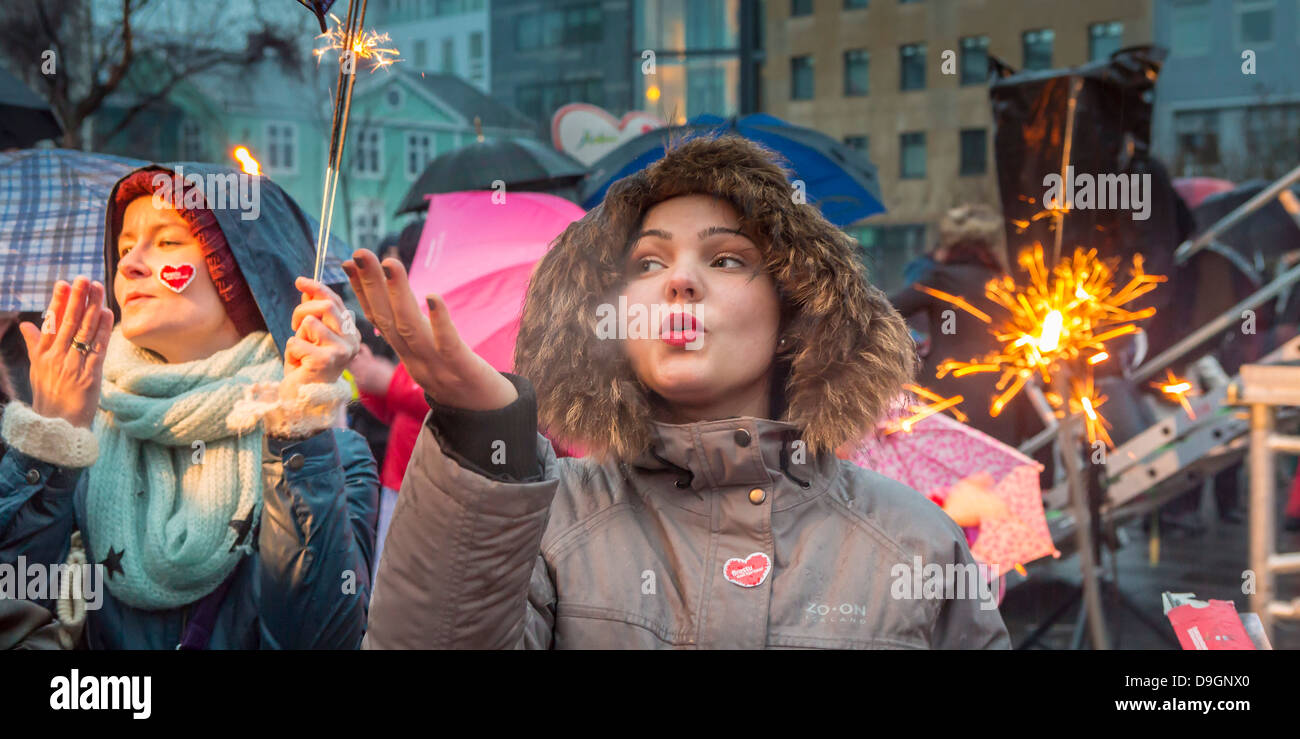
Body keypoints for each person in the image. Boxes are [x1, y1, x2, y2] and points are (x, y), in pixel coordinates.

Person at [352, 136, 1010, 649]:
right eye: (648, 262)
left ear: (792, 311)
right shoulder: (545, 519)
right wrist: (481, 433)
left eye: (725, 259)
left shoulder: (916, 540)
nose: (680, 281)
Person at [0, 165, 378, 649]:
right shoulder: (78, 445)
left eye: (167, 242)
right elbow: (14, 616)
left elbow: (321, 638)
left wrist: (298, 427)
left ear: (244, 274)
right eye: (124, 248)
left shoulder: (334, 458)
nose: (130, 265)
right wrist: (49, 443)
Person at [889, 204, 1026, 447]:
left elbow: (888, 310)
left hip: (946, 393)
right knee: (995, 465)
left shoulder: (941, 280)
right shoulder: (1004, 284)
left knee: (947, 464)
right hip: (1001, 394)